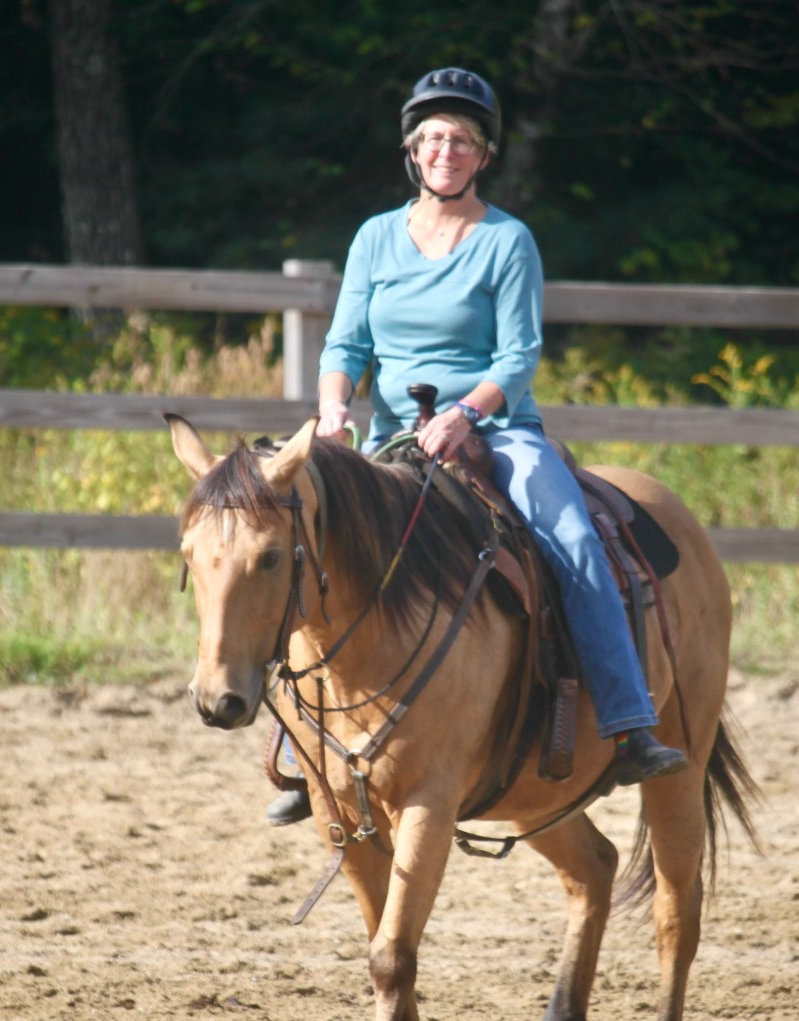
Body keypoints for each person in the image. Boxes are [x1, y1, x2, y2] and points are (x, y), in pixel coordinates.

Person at [266, 67, 686, 827]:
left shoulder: (506, 241)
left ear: (483, 154)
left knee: (573, 541)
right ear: (412, 151)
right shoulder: (374, 239)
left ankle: (628, 724)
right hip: (391, 436)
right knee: (310, 542)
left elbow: (517, 358)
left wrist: (465, 414)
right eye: (431, 138)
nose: (445, 151)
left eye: (461, 139)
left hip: (496, 431)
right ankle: (300, 748)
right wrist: (332, 410)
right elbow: (346, 341)